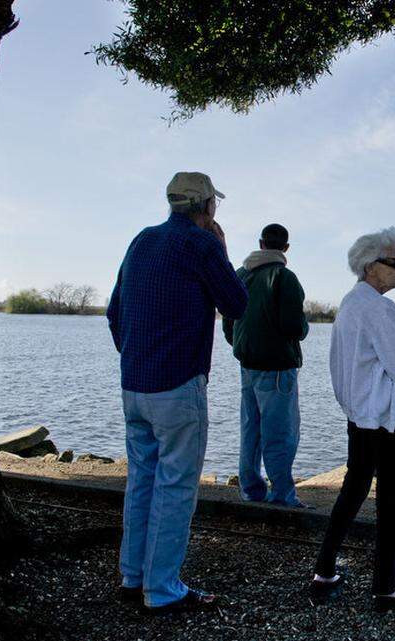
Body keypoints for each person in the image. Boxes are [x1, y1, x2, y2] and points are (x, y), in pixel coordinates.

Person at [106, 171, 247, 612]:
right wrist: (222, 250)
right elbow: (237, 304)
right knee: (176, 487)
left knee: (141, 481)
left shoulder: (141, 240)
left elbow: (114, 312)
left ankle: (133, 576)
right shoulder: (202, 245)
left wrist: (134, 356)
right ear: (208, 207)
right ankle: (162, 589)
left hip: (134, 384)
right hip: (178, 384)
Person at [312, 227, 395, 612]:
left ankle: (324, 568)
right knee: (392, 498)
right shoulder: (379, 308)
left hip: (359, 413)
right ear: (370, 267)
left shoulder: (349, 303)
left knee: (353, 488)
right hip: (387, 414)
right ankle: (385, 586)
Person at [222, 223, 309, 507]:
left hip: (247, 364)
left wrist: (240, 346)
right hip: (278, 368)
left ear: (260, 243)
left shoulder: (240, 275)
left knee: (251, 429)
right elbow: (294, 327)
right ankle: (282, 495)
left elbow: (228, 320)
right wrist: (304, 328)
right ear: (285, 248)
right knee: (280, 434)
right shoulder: (285, 278)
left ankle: (250, 490)